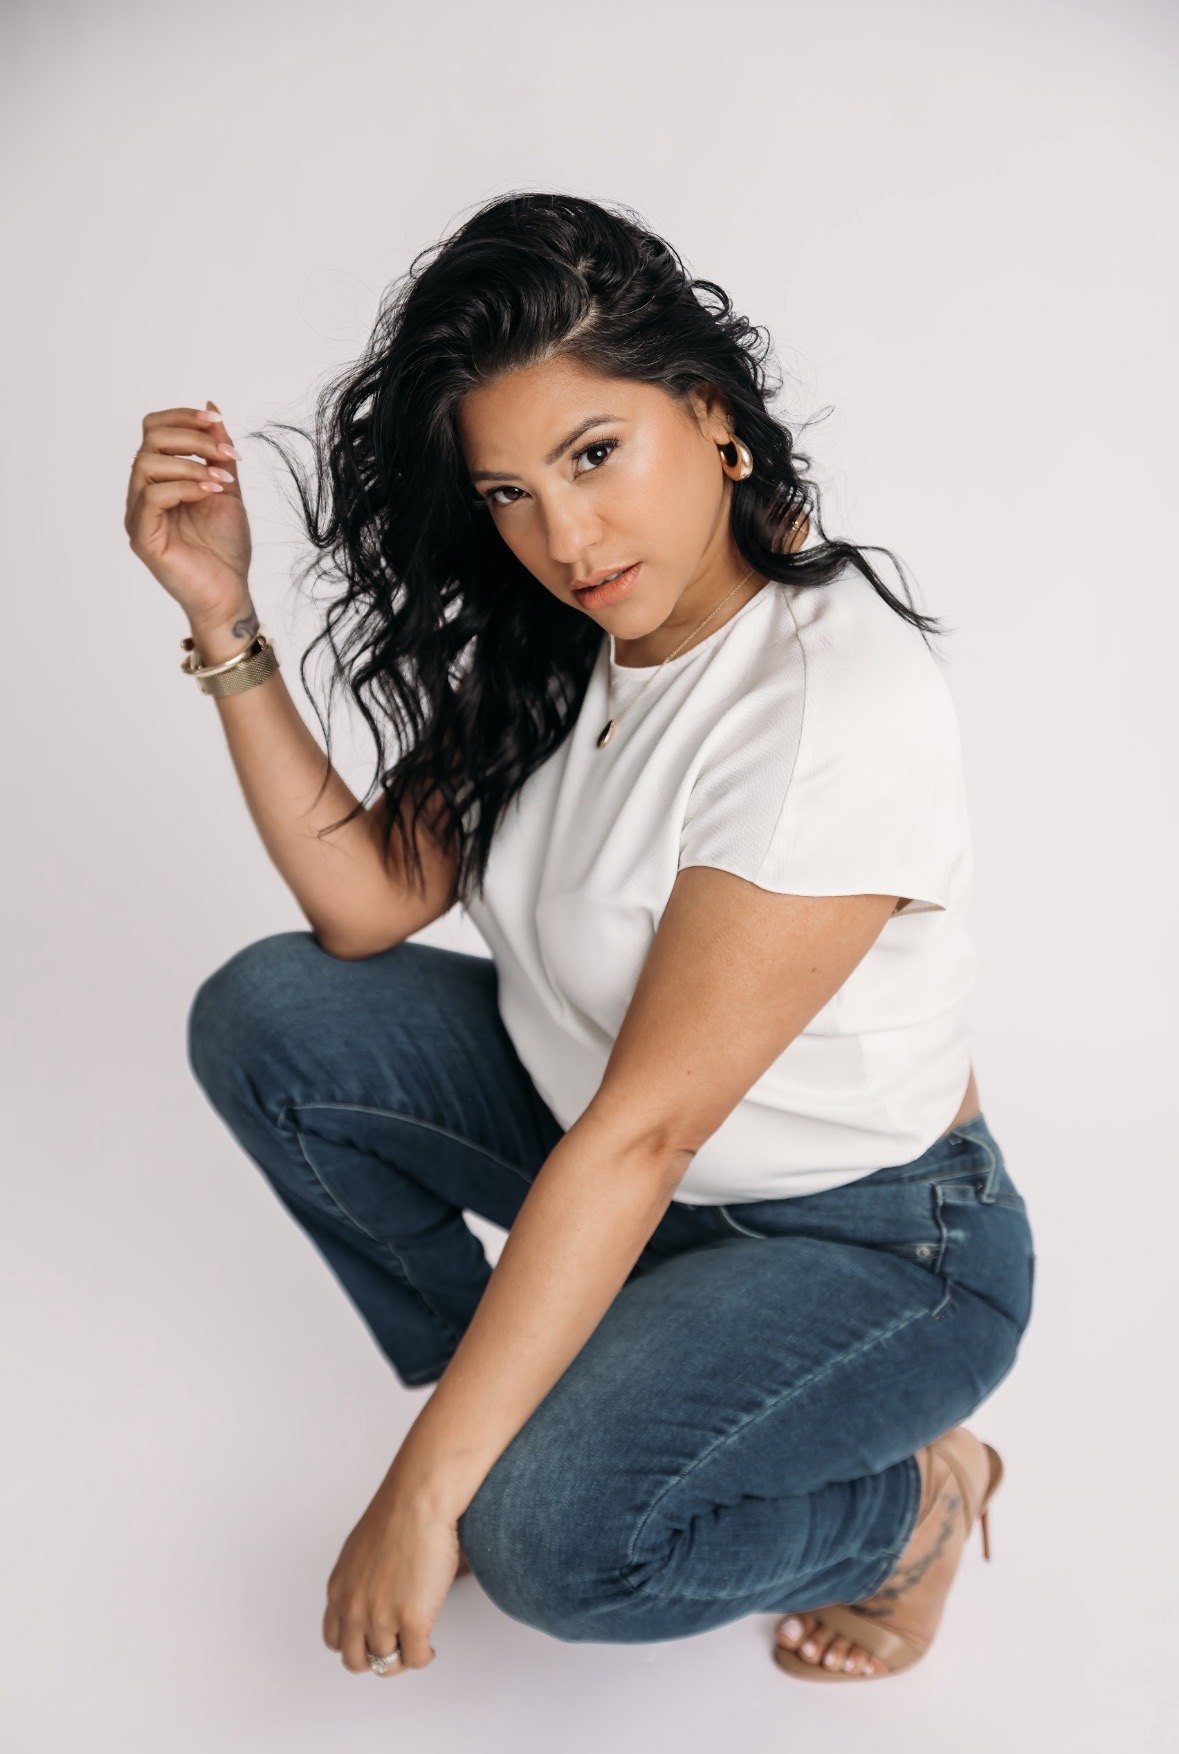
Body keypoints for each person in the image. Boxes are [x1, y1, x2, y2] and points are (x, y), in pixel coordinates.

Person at [124, 191, 1036, 1687]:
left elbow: (642, 1134)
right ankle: (538, 1402)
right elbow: (363, 898)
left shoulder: (824, 715)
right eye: (511, 493)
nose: (565, 534)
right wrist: (224, 616)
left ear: (714, 417)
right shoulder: (586, 630)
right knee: (272, 1016)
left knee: (552, 1543)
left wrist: (424, 1487)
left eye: (595, 454)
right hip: (617, 1155)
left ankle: (911, 1507)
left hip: (870, 1241)